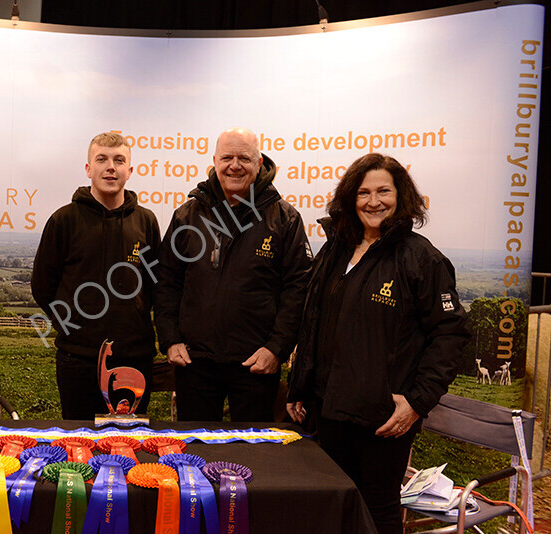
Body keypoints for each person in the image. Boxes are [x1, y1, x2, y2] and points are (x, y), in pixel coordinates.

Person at [286, 153, 470, 534]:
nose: (374, 202)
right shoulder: (335, 250)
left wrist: (417, 402)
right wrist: (300, 387)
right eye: (363, 192)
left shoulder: (421, 258)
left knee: (377, 511)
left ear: (400, 197)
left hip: (384, 419)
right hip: (329, 409)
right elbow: (314, 323)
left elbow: (450, 335)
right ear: (350, 199)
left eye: (383, 191)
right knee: (334, 505)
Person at [155, 127, 312, 422]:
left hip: (256, 365)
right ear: (214, 161)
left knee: (254, 455)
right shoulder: (187, 216)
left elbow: (297, 289)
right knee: (195, 452)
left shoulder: (285, 219)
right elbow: (167, 281)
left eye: (244, 158)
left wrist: (276, 349)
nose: (235, 165)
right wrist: (169, 339)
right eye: (227, 157)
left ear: (259, 162)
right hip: (194, 362)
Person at [31, 132, 161, 420]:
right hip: (77, 358)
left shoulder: (146, 221)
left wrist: (134, 315)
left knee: (130, 445)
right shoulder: (63, 220)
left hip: (134, 358)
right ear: (88, 169)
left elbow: (155, 285)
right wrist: (71, 326)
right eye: (101, 159)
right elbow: (43, 286)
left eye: (119, 160)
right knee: (78, 445)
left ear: (130, 170)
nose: (110, 167)